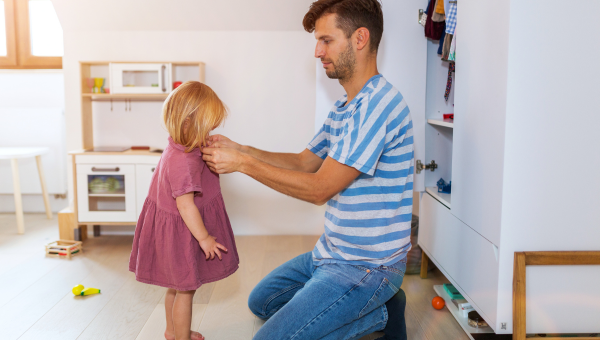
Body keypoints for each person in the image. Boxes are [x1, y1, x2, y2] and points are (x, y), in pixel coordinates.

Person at [202, 0, 412, 339]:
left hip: (367, 268)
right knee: (262, 302)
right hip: (331, 253)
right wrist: (241, 149)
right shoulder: (345, 107)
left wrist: (243, 164)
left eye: (326, 40)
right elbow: (304, 162)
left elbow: (319, 189)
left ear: (360, 38)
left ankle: (383, 313)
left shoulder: (378, 106)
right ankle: (361, 307)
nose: (317, 51)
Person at [129, 81, 240, 340]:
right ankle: (181, 336)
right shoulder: (184, 161)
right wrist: (204, 238)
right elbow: (185, 204)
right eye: (207, 126)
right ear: (189, 125)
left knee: (175, 287)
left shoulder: (178, 147)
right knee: (186, 291)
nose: (210, 131)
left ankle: (171, 331)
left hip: (173, 231)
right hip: (182, 233)